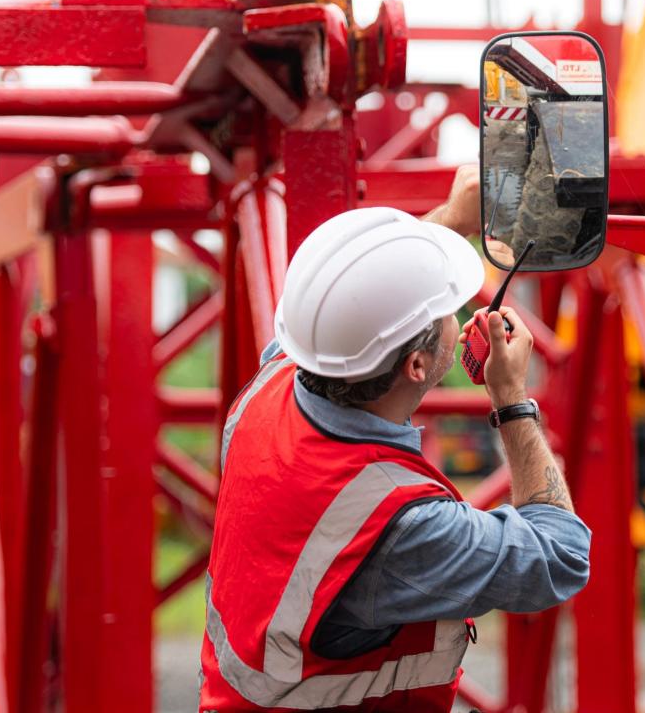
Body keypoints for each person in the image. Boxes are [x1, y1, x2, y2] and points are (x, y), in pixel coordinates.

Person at [199, 165, 591, 712]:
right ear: (417, 365)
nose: (461, 311)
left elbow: (352, 306)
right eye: (447, 311)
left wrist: (452, 221)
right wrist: (511, 400)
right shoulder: (399, 526)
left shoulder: (275, 382)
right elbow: (561, 557)